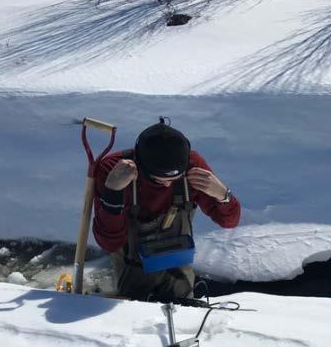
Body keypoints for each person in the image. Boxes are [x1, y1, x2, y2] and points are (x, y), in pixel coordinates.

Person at [93, 118, 240, 301]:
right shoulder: (114, 170)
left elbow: (229, 221)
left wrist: (223, 195)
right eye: (160, 180)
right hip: (132, 271)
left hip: (178, 269)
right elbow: (109, 243)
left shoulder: (193, 166)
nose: (168, 184)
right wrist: (113, 193)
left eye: (175, 178)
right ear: (142, 168)